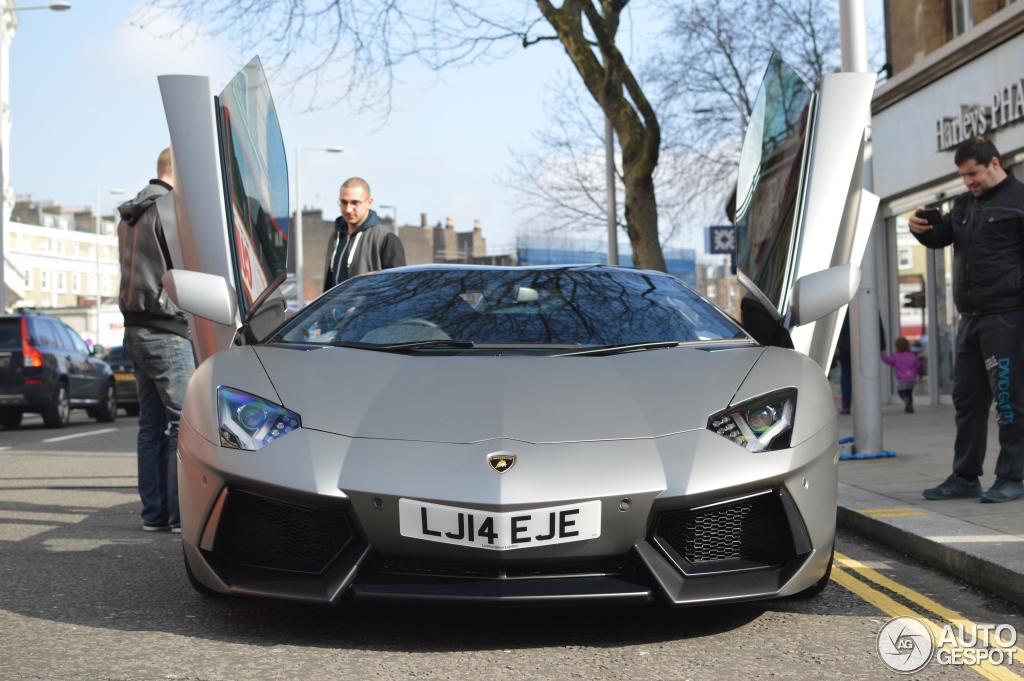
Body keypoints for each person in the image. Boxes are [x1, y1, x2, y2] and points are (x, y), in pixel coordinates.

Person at [909, 136, 1024, 503]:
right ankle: (965, 475)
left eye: (972, 173)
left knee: (1008, 401)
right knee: (967, 400)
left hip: (1007, 316)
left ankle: (1012, 477)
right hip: (970, 318)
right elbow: (941, 236)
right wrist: (918, 228)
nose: (968, 181)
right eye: (962, 175)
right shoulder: (963, 204)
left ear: (993, 163)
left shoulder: (1019, 200)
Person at [117, 148, 196, 531]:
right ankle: (182, 516)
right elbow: (186, 271)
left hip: (134, 329)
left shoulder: (130, 213)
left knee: (150, 426)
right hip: (166, 330)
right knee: (185, 423)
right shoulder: (169, 208)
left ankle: (153, 514)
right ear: (177, 170)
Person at [323, 177, 406, 290]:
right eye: (343, 202)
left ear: (369, 202)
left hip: (370, 308)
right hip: (336, 308)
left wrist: (363, 306)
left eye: (355, 203)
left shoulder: (386, 238)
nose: (348, 209)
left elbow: (398, 286)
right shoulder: (335, 236)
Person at [881, 337, 922, 414]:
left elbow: (888, 361)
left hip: (902, 379)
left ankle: (907, 401)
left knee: (901, 392)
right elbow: (918, 365)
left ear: (896, 346)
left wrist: (883, 354)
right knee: (909, 392)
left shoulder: (896, 356)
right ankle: (910, 406)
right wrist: (918, 373)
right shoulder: (912, 356)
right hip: (912, 378)